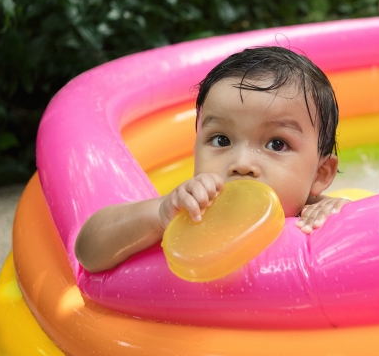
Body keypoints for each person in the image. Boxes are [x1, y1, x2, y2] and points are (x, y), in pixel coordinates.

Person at [75, 46, 349, 273]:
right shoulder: (188, 211)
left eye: (277, 144)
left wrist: (342, 217)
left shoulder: (317, 217)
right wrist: (158, 215)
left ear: (321, 174)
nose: (241, 163)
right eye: (221, 140)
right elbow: (87, 252)